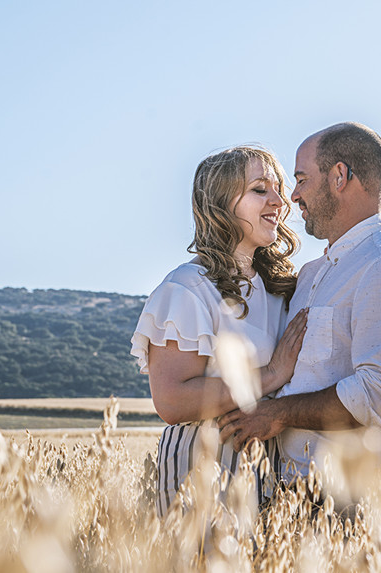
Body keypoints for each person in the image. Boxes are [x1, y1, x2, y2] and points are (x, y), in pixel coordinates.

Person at [218, 123, 381, 506]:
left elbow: (380, 391)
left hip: (370, 498)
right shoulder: (311, 275)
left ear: (339, 176)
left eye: (302, 179)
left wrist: (278, 415)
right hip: (300, 497)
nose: (293, 195)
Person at [130, 145, 309, 516]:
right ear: (221, 205)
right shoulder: (187, 287)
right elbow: (172, 401)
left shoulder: (279, 289)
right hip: (202, 469)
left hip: (270, 470)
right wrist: (272, 374)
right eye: (260, 189)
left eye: (278, 188)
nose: (280, 201)